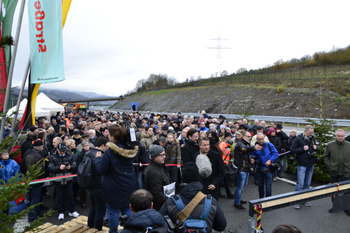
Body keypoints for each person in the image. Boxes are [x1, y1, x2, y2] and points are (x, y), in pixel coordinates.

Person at [159, 162, 227, 233]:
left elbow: (160, 224)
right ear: (198, 179)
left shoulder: (171, 202)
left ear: (182, 180)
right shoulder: (211, 202)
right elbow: (221, 226)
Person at [95, 125, 138, 233]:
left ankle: (113, 231)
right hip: (129, 184)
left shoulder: (110, 152)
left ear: (113, 137)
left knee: (113, 211)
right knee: (127, 209)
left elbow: (101, 170)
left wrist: (98, 159)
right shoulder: (130, 149)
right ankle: (131, 230)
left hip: (113, 186)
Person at [48, 143, 79, 220]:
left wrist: (70, 167)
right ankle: (61, 212)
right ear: (57, 149)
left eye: (64, 150)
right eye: (61, 151)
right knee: (60, 197)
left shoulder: (69, 156)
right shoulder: (52, 157)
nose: (62, 152)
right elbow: (50, 168)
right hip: (58, 180)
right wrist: (59, 168)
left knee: (70, 196)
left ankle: (72, 210)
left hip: (68, 179)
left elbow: (75, 165)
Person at [323, 129, 350, 216]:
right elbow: (325, 157)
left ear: (344, 136)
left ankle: (347, 208)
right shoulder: (330, 145)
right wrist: (330, 166)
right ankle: (335, 206)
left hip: (346, 172)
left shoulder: (349, 145)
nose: (340, 137)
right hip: (334, 172)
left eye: (342, 136)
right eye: (338, 136)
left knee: (347, 191)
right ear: (336, 136)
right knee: (334, 190)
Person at [290, 125, 317, 209]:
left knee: (307, 184)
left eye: (312, 132)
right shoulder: (298, 139)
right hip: (302, 164)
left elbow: (314, 148)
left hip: (310, 164)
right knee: (300, 184)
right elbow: (292, 150)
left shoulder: (312, 139)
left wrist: (316, 148)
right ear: (305, 131)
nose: (311, 134)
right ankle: (297, 201)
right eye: (310, 132)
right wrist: (302, 149)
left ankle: (305, 199)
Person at [234, 131, 262, 210]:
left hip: (246, 168)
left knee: (243, 186)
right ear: (244, 136)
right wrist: (253, 148)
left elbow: (247, 154)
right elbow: (244, 149)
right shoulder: (240, 144)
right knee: (239, 186)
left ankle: (238, 199)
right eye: (248, 136)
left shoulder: (247, 144)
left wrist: (251, 159)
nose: (250, 138)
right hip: (241, 168)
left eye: (250, 136)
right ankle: (237, 203)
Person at [85, 136, 109, 230]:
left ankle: (90, 226)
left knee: (92, 208)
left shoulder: (88, 153)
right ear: (102, 145)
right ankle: (98, 229)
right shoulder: (100, 155)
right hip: (98, 185)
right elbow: (101, 170)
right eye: (106, 147)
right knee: (100, 210)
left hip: (89, 184)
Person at [251, 133, 279, 198]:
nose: (261, 140)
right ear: (256, 139)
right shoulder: (255, 147)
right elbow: (253, 156)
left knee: (268, 186)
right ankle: (261, 200)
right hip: (259, 168)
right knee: (260, 186)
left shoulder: (269, 145)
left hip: (268, 168)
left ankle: (268, 201)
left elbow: (276, 153)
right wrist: (252, 159)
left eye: (262, 139)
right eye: (260, 139)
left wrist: (270, 160)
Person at [144, 145, 171, 211]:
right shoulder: (154, 172)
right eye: (162, 155)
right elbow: (157, 194)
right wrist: (170, 201)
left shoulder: (159, 167)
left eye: (164, 154)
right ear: (154, 157)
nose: (164, 157)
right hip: (159, 208)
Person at [25, 140, 46, 222]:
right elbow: (40, 170)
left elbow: (25, 166)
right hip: (36, 180)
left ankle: (37, 213)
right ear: (40, 147)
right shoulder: (38, 157)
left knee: (32, 197)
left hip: (29, 179)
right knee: (35, 199)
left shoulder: (29, 154)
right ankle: (32, 217)